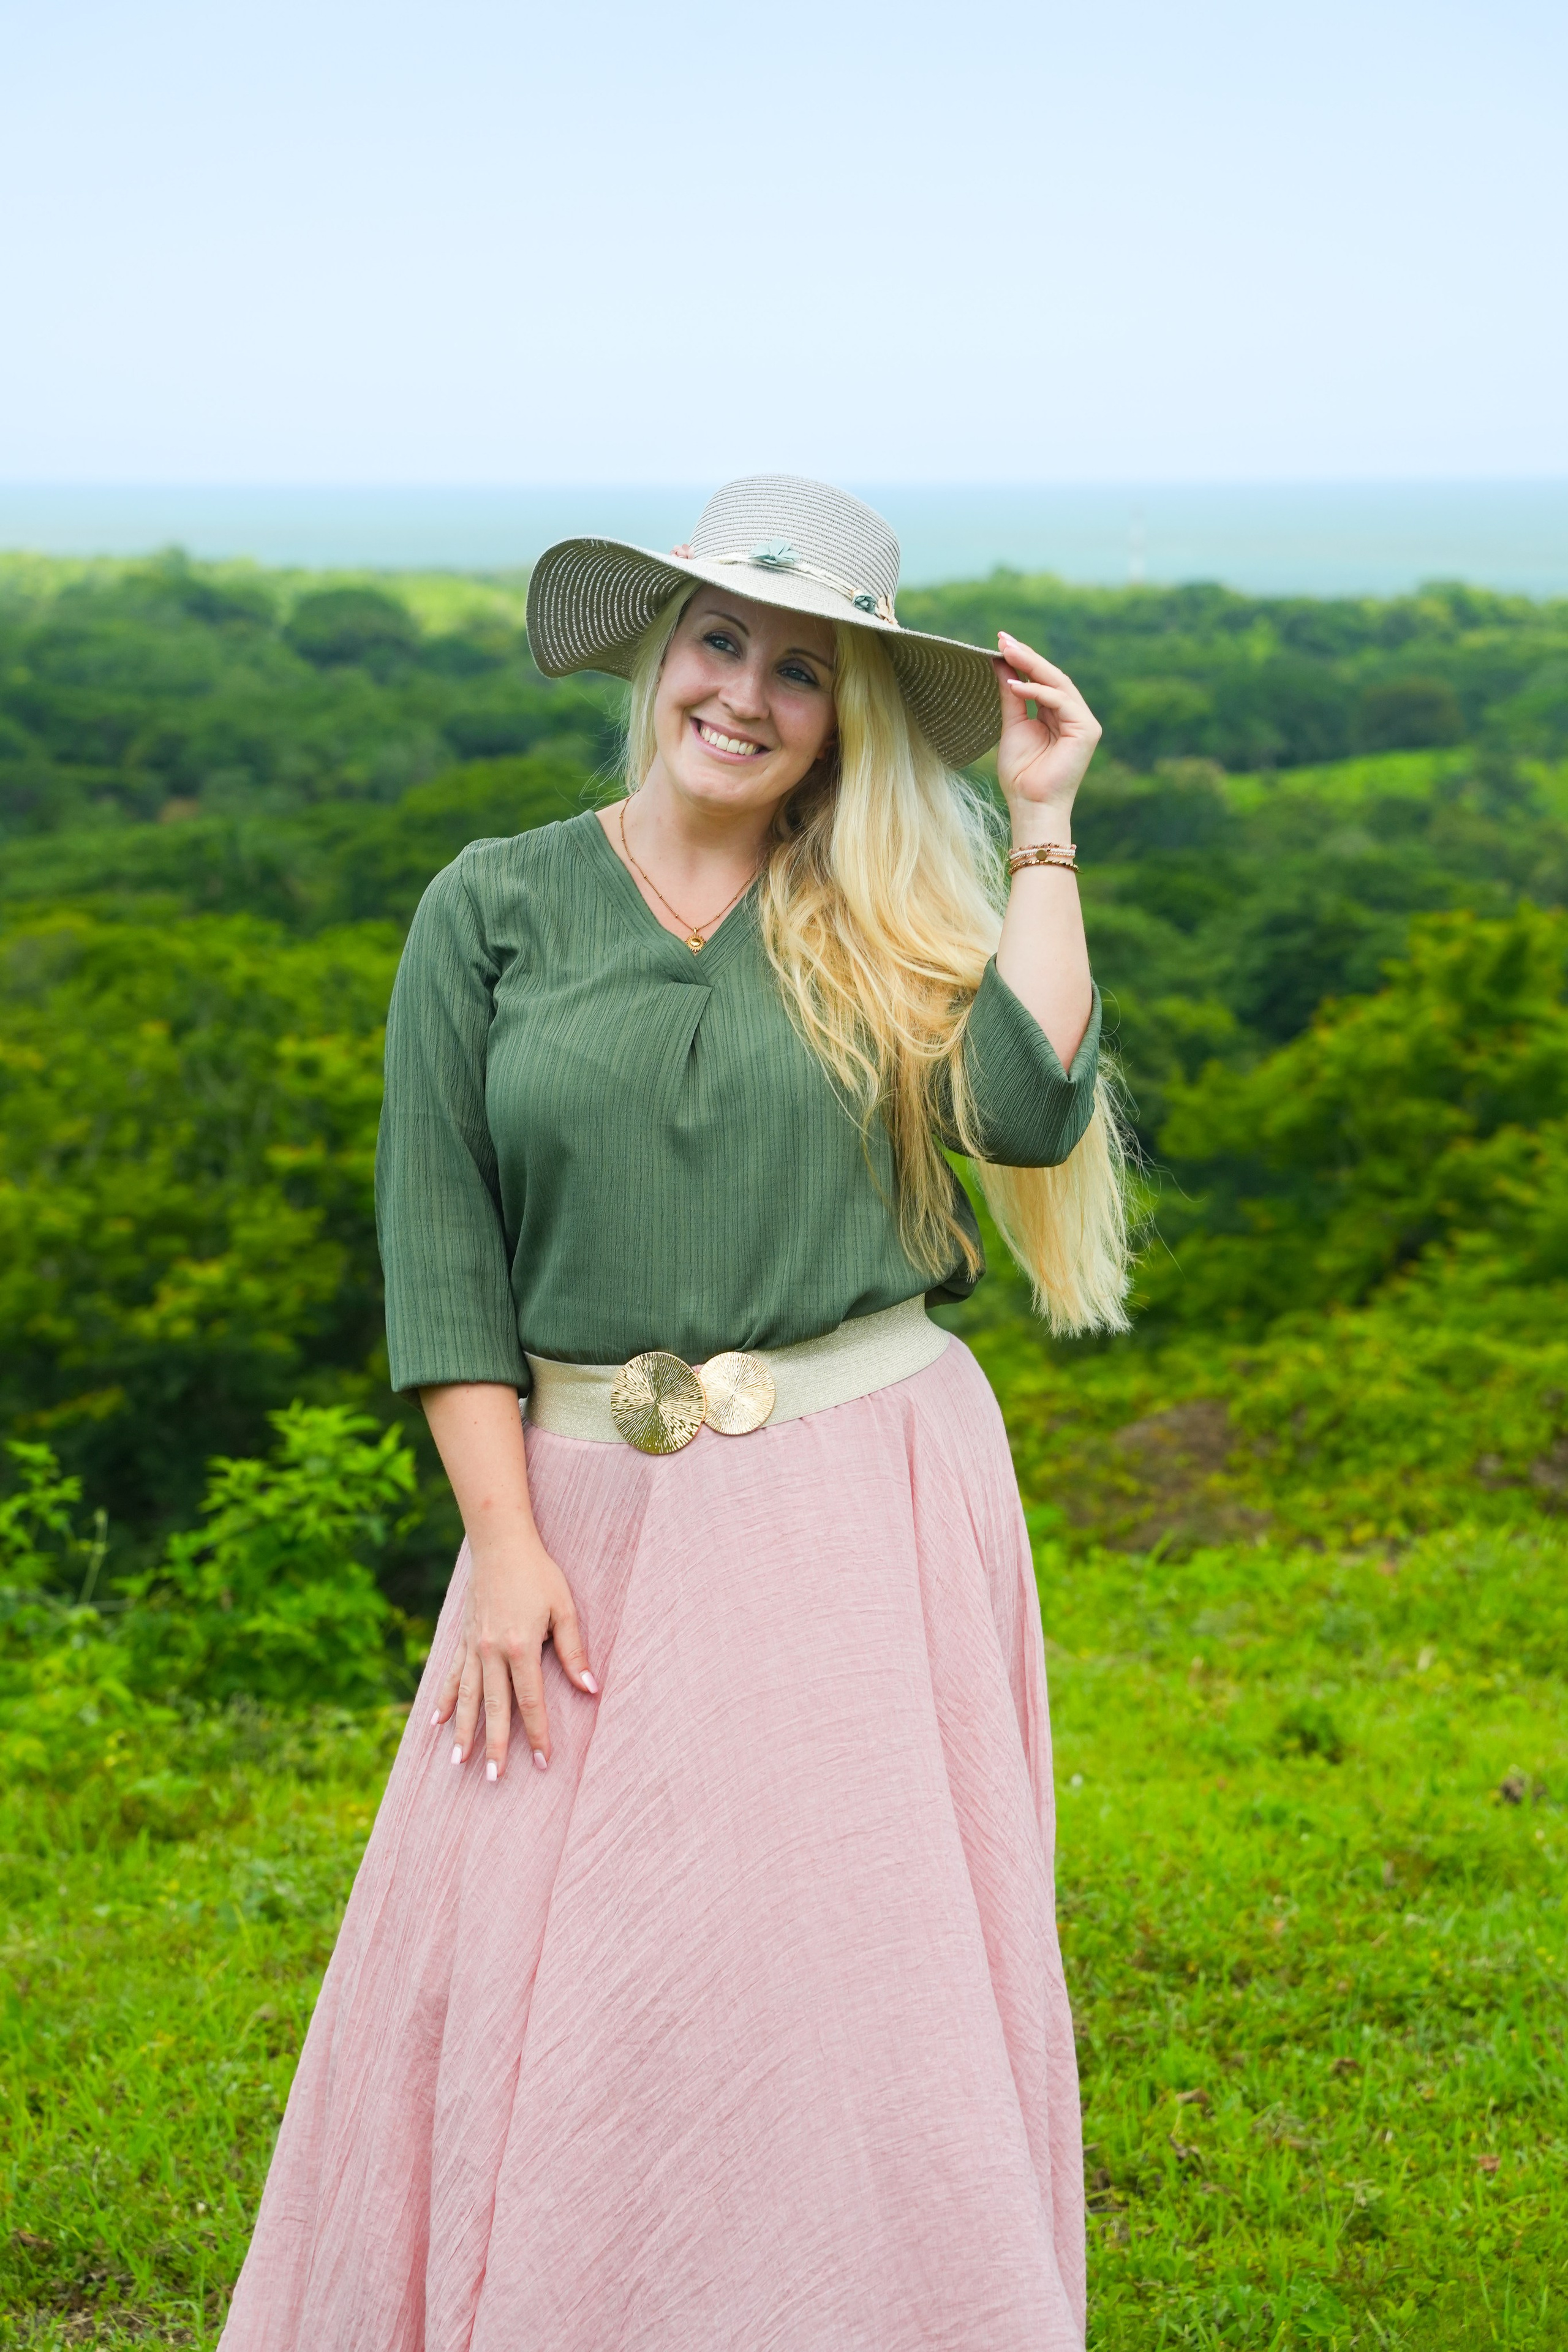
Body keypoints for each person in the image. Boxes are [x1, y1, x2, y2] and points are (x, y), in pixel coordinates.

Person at [219, 476, 1128, 2352]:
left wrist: (1040, 831)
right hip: (574, 1507)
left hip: (861, 1489)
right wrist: (502, 1548)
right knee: (565, 1953)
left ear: (843, 719)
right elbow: (442, 1253)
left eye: (804, 670)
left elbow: (1031, 1116)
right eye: (721, 640)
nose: (747, 692)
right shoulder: (493, 904)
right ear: (656, 651)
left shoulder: (878, 909)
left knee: (847, 1953)